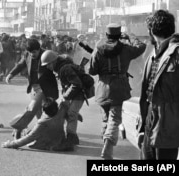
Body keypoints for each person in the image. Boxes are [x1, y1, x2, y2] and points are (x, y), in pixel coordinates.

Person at [89, 23, 146, 159]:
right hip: (120, 87)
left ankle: (106, 143)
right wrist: (131, 36)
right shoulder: (126, 49)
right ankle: (108, 145)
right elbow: (141, 46)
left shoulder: (98, 49)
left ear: (107, 35)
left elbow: (92, 70)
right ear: (119, 35)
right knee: (114, 119)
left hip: (103, 88)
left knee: (105, 118)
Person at [138, 10, 179, 160]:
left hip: (168, 120)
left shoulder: (176, 53)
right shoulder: (153, 54)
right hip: (150, 116)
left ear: (151, 31)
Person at [6, 38, 58, 139]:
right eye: (30, 52)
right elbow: (21, 64)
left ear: (39, 49)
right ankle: (36, 130)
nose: (32, 54)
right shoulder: (27, 54)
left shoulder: (47, 54)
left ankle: (19, 127)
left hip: (45, 87)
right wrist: (11, 74)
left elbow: (57, 63)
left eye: (34, 52)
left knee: (35, 109)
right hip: (34, 87)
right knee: (37, 110)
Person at [41, 50, 94, 146]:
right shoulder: (61, 68)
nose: (48, 67)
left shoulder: (65, 68)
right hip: (73, 93)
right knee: (64, 109)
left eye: (48, 64)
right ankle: (72, 134)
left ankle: (71, 138)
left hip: (79, 93)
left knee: (71, 113)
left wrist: (66, 96)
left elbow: (76, 84)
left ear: (54, 62)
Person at [1, 97, 74, 151]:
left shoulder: (42, 122)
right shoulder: (61, 111)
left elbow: (29, 138)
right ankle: (19, 131)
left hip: (43, 145)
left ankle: (18, 131)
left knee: (27, 133)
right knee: (30, 132)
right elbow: (67, 110)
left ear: (43, 110)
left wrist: (11, 144)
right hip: (59, 143)